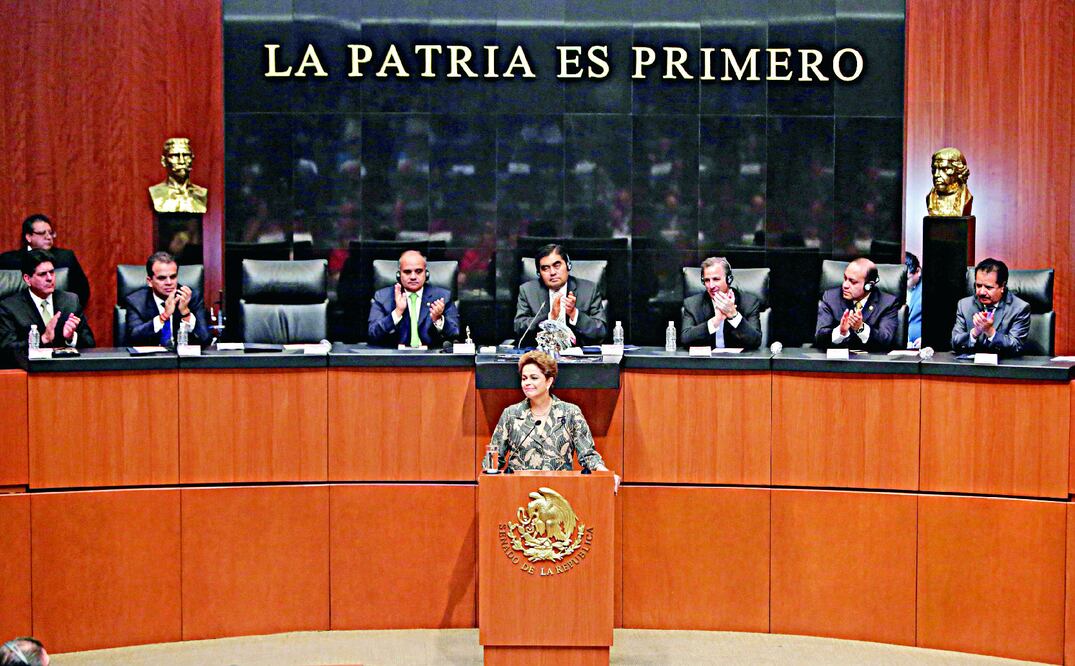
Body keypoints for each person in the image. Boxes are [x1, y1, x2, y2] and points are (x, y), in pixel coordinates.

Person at [490, 351, 616, 484]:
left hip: (560, 492)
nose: (527, 383)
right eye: (524, 378)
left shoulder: (570, 413)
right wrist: (488, 473)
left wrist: (605, 474)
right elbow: (494, 458)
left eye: (534, 378)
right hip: (517, 490)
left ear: (549, 381)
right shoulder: (511, 414)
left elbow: (588, 455)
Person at [0, 250, 95, 364]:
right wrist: (42, 339)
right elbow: (6, 351)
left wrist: (71, 338)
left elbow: (90, 343)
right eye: (42, 274)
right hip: (29, 373)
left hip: (65, 371)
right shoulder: (10, 307)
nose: (50, 278)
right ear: (27, 279)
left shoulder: (70, 301)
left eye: (52, 272)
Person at [514, 244, 607, 346]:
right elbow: (519, 328)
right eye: (545, 268)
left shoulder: (589, 290)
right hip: (541, 356)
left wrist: (574, 314)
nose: (552, 272)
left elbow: (601, 331)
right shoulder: (527, 291)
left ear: (568, 265)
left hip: (578, 356)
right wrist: (549, 317)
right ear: (539, 273)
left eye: (557, 265)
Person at [368, 250, 460, 347]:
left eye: (418, 271)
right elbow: (373, 334)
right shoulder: (382, 297)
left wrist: (438, 319)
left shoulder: (442, 297)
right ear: (399, 275)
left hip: (431, 359)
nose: (413, 277)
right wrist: (397, 312)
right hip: (394, 359)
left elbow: (455, 334)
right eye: (407, 272)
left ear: (426, 274)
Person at [0, 214, 91, 309]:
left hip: (58, 315)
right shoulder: (8, 261)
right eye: (42, 233)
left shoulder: (66, 258)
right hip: (20, 317)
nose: (48, 237)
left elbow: (82, 291)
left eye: (50, 233)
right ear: (28, 237)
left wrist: (68, 314)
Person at [123, 251, 210, 346]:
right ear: (150, 281)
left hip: (183, 359)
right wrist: (164, 316)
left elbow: (205, 339)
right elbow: (133, 337)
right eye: (162, 278)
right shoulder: (136, 301)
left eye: (173, 277)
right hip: (151, 359)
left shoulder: (191, 298)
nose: (169, 282)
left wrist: (186, 313)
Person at [815, 257, 900, 351]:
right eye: (845, 278)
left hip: (870, 362)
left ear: (869, 286)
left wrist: (861, 328)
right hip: (836, 362)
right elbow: (820, 337)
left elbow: (886, 340)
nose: (845, 285)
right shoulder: (831, 297)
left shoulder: (888, 303)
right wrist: (840, 332)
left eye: (852, 282)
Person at [952, 257, 1030, 356]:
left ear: (1002, 286)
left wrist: (990, 331)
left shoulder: (1019, 308)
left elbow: (1016, 347)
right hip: (970, 368)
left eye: (988, 287)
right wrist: (974, 332)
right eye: (978, 286)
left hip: (1003, 368)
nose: (981, 292)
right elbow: (954, 343)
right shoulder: (964, 305)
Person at [680, 257, 762, 350]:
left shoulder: (749, 303)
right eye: (707, 280)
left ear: (729, 279)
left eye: (716, 279)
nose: (711, 286)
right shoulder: (692, 304)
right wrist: (715, 321)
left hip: (739, 363)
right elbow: (685, 339)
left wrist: (733, 315)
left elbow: (756, 341)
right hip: (705, 363)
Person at [149, 137, 208, 214]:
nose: (182, 161)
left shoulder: (202, 194)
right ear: (163, 161)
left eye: (186, 155)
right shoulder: (155, 193)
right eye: (175, 156)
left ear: (192, 159)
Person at [926, 147, 972, 217]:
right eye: (934, 169)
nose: (936, 174)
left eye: (945, 169)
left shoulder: (966, 198)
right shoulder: (930, 198)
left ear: (959, 171)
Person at [906, 252, 922, 348]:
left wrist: (928, 339)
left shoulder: (929, 289)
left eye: (907, 279)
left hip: (918, 346)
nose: (902, 283)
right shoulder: (893, 288)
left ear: (918, 271)